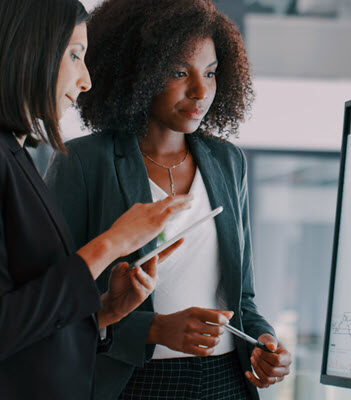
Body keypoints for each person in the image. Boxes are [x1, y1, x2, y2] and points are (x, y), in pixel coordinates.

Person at [45, 0, 292, 399]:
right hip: (132, 382)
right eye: (180, 72)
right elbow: (53, 302)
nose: (200, 91)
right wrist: (154, 329)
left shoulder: (228, 162)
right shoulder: (83, 163)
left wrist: (264, 342)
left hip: (225, 382)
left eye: (210, 73)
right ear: (137, 72)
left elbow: (242, 298)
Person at [0, 1, 193, 398]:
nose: (86, 80)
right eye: (74, 55)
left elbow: (28, 321)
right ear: (29, 50)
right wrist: (111, 244)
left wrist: (105, 311)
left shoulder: (19, 156)